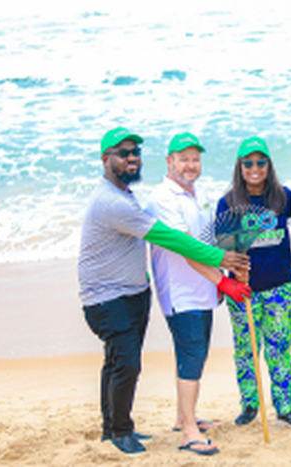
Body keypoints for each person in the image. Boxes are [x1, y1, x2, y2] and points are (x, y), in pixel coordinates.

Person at [78, 127, 250, 455]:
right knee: (128, 363)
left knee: (119, 362)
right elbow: (173, 241)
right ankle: (129, 431)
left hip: (134, 292)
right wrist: (222, 268)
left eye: (135, 153)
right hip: (109, 296)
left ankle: (116, 426)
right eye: (123, 153)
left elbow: (204, 235)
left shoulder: (128, 193)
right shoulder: (117, 201)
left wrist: (224, 272)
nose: (131, 158)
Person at [145, 132, 250, 455]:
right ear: (169, 161)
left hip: (203, 288)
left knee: (197, 352)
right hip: (180, 291)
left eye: (195, 159)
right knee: (192, 355)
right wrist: (223, 282)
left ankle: (183, 416)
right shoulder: (162, 198)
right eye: (183, 159)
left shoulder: (200, 193)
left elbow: (211, 240)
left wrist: (228, 272)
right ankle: (189, 431)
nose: (190, 165)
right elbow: (188, 248)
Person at [216, 136, 291, 428]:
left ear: (268, 165)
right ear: (239, 167)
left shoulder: (284, 197)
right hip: (244, 291)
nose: (254, 168)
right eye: (248, 163)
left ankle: (284, 406)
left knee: (279, 348)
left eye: (260, 162)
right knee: (246, 350)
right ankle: (250, 405)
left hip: (280, 286)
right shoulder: (228, 203)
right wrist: (232, 265)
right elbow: (221, 249)